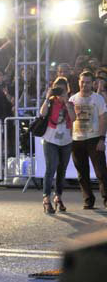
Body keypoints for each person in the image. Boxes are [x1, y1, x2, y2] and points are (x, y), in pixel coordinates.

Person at [69, 71, 107, 209]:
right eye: (82, 81)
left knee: (101, 172)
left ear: (93, 83)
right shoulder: (72, 99)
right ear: (79, 81)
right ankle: (88, 200)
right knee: (82, 173)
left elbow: (104, 119)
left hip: (94, 139)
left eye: (88, 82)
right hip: (76, 140)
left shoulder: (98, 99)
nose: (84, 85)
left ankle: (106, 199)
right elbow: (69, 121)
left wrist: (102, 139)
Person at [39, 78, 76, 213]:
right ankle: (46, 199)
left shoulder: (70, 103)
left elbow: (73, 118)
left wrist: (66, 102)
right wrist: (47, 97)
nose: (60, 93)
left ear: (67, 90)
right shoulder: (50, 102)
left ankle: (58, 197)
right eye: (57, 89)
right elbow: (42, 114)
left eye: (63, 90)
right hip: (50, 139)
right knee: (51, 168)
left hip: (66, 140)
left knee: (62, 170)